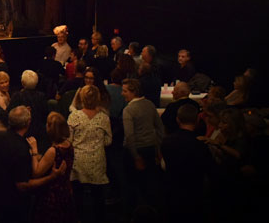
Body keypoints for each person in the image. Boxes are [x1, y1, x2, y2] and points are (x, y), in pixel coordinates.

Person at [0, 106, 67, 223]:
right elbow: (23, 185)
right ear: (28, 123)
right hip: (14, 203)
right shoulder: (21, 148)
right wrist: (52, 177)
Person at [160, 104, 214, 223]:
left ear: (177, 119)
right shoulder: (200, 144)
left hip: (172, 190)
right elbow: (210, 170)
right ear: (197, 119)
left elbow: (163, 165)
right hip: (194, 193)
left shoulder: (167, 141)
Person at [68, 85, 112, 222]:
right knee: (98, 195)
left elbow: (69, 140)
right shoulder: (104, 118)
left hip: (78, 160)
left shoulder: (74, 117)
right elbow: (108, 140)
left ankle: (79, 218)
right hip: (97, 160)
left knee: (78, 195)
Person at [121, 78, 164, 208]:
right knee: (149, 183)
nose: (122, 93)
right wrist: (159, 150)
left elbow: (129, 136)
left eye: (125, 91)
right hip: (150, 148)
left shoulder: (128, 110)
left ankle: (134, 213)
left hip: (135, 151)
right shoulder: (150, 104)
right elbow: (160, 128)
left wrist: (135, 156)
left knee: (132, 184)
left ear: (133, 92)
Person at [31, 112, 75, 223]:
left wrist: (34, 151)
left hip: (52, 195)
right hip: (65, 192)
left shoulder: (53, 151)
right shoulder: (69, 145)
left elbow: (36, 172)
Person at [9, 70, 49, 152]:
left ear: (22, 83)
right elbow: (45, 115)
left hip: (21, 135)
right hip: (39, 134)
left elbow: (9, 115)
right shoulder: (42, 96)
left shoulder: (17, 96)